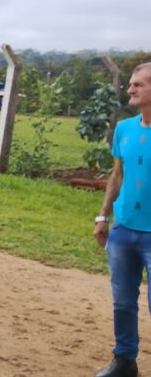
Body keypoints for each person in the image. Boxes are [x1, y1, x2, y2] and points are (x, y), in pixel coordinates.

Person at [92, 62, 151, 377]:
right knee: (123, 302)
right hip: (123, 229)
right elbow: (118, 174)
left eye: (138, 84)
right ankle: (125, 361)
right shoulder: (125, 129)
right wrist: (104, 215)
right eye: (131, 83)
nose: (130, 89)